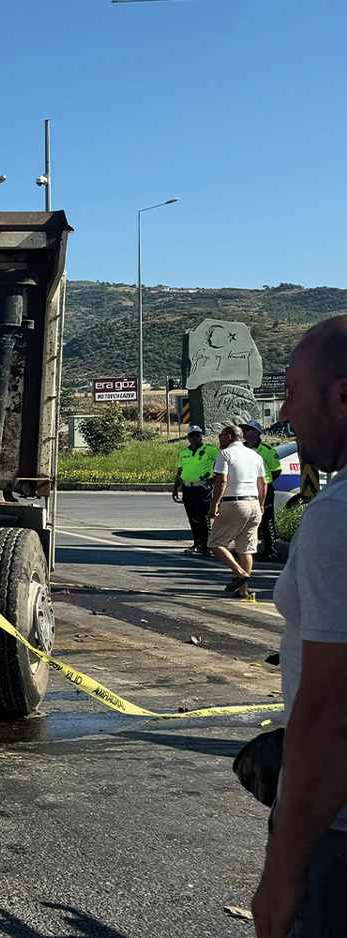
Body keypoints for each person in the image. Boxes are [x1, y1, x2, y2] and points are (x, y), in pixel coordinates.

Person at [252, 314, 347, 938]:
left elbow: (332, 715)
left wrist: (281, 875)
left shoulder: (337, 519)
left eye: (292, 393)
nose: (285, 415)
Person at [209, 424, 267, 599]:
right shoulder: (255, 455)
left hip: (234, 503)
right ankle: (243, 591)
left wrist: (214, 505)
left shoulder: (225, 454)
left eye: (220, 436)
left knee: (215, 543)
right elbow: (263, 483)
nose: (219, 439)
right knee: (245, 549)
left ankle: (239, 573)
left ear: (228, 437)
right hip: (254, 504)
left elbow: (221, 482)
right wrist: (261, 505)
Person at [172, 426, 219, 554]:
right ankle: (197, 543)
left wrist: (214, 479)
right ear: (188, 438)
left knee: (203, 518)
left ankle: (206, 545)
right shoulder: (184, 453)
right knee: (192, 518)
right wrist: (175, 487)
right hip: (187, 488)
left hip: (202, 488)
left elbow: (222, 464)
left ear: (201, 436)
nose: (194, 438)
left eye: (197, 435)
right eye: (192, 436)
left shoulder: (210, 450)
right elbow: (180, 471)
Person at [243, 419, 284, 562]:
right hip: (246, 490)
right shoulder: (242, 449)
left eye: (247, 429)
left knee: (266, 521)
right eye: (244, 429)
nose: (244, 432)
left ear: (256, 432)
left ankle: (270, 550)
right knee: (246, 520)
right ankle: (246, 549)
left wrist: (264, 483)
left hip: (263, 491)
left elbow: (277, 470)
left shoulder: (266, 450)